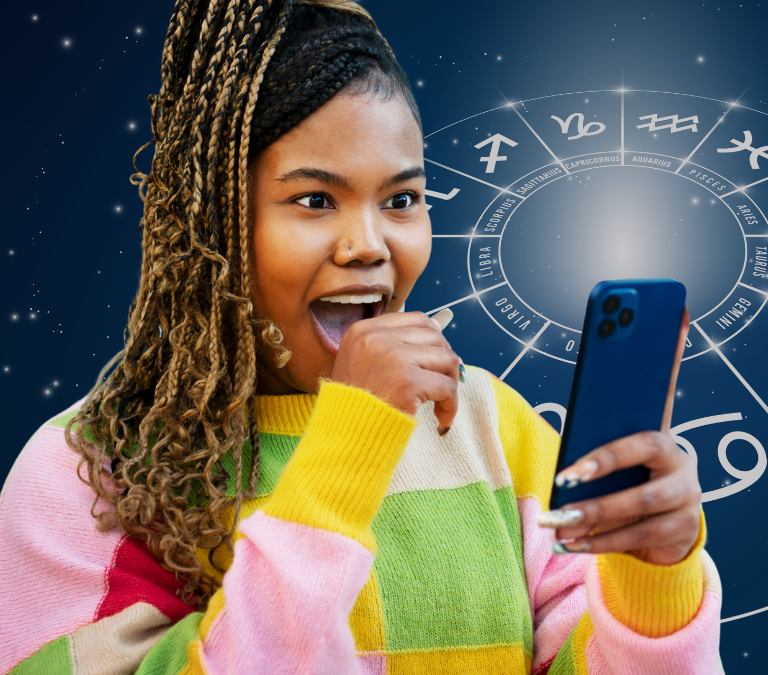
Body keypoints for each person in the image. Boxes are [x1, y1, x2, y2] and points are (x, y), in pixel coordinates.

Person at [0, 0, 723, 673]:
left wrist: (652, 581)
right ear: (209, 227)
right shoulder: (89, 473)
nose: (369, 245)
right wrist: (347, 449)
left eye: (402, 199)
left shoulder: (499, 431)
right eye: (315, 200)